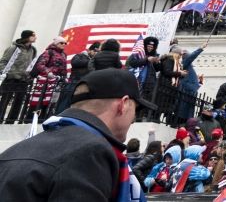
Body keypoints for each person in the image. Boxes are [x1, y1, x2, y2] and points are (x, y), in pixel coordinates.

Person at [0, 68, 155, 201]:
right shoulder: (91, 151)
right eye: (135, 109)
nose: (134, 119)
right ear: (123, 104)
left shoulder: (16, 149)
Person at [0, 29, 37, 123]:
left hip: (23, 80)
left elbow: (31, 63)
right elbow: (3, 61)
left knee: (19, 101)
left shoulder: (33, 50)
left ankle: (11, 121)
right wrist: (7, 73)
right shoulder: (14, 48)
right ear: (27, 37)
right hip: (11, 78)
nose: (35, 37)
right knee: (5, 100)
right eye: (33, 35)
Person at [27, 35, 67, 121]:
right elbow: (40, 65)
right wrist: (48, 72)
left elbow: (64, 68)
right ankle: (30, 119)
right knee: (38, 102)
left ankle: (42, 120)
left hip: (56, 81)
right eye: (61, 43)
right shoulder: (49, 52)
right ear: (56, 43)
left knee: (49, 103)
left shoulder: (64, 54)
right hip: (44, 81)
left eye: (65, 43)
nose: (64, 44)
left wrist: (64, 77)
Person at [126, 36, 161, 121]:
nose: (150, 48)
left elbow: (157, 69)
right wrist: (147, 60)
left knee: (144, 101)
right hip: (137, 81)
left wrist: (158, 63)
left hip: (148, 83)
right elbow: (132, 63)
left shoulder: (155, 55)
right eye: (148, 46)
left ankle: (139, 117)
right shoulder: (138, 54)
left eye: (152, 47)